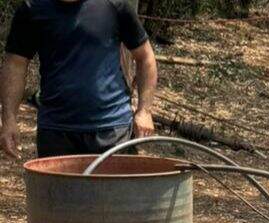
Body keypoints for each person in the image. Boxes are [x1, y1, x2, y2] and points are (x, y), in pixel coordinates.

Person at [1, 0, 158, 159]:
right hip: (56, 131)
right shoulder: (33, 8)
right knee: (58, 185)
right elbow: (15, 64)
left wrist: (144, 111)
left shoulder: (114, 4)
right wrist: (8, 120)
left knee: (113, 185)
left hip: (112, 129)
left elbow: (145, 57)